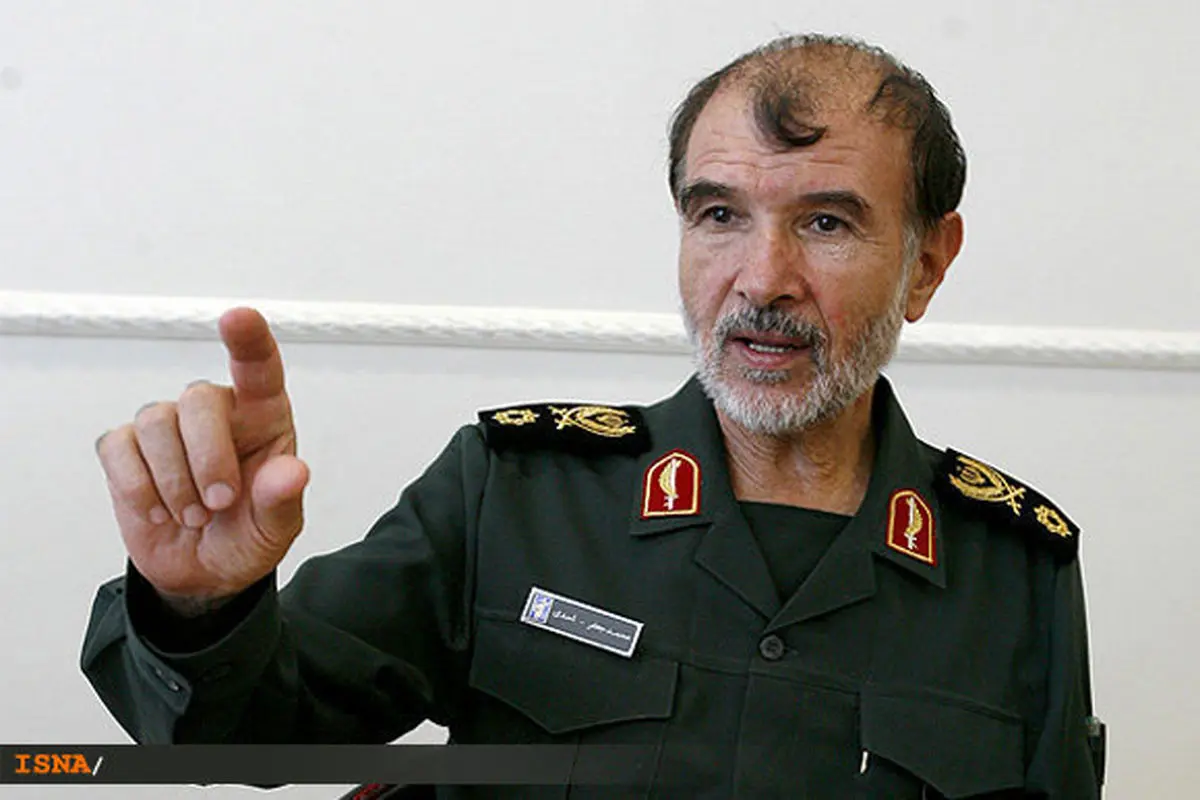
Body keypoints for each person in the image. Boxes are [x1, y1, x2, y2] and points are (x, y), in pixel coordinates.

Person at [82, 33, 1105, 798]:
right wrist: (198, 608)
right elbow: (245, 732)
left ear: (927, 263)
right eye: (719, 215)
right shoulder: (513, 490)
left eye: (826, 222)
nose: (763, 280)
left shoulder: (1015, 573)